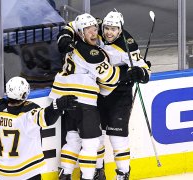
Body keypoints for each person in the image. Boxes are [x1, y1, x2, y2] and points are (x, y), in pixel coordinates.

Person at [57, 11, 151, 180]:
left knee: (117, 137)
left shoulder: (128, 45)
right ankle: (97, 171)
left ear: (120, 30)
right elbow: (74, 24)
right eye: (106, 28)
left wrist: (141, 73)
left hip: (119, 94)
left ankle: (123, 173)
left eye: (114, 29)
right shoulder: (95, 28)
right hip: (98, 92)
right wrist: (65, 34)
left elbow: (144, 68)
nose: (108, 32)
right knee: (96, 136)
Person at [49, 13, 126, 180]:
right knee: (92, 144)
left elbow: (70, 25)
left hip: (65, 100)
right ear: (80, 32)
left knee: (72, 139)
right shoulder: (92, 54)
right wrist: (125, 71)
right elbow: (110, 79)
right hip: (84, 103)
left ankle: (66, 174)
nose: (93, 33)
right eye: (88, 29)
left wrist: (64, 33)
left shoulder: (74, 45)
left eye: (94, 28)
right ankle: (88, 177)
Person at [0, 76, 78, 180]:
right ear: (25, 94)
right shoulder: (26, 114)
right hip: (27, 173)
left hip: (2, 174)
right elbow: (47, 117)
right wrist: (57, 106)